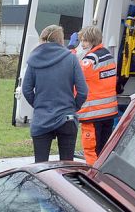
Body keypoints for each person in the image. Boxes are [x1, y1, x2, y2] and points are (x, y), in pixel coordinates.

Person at [22, 25, 88, 163]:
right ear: (60, 40)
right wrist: (73, 107)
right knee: (67, 165)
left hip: (42, 118)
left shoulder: (34, 60)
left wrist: (38, 105)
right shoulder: (71, 59)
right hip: (67, 117)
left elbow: (27, 89)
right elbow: (83, 91)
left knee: (40, 167)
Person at [76, 26, 118, 165]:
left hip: (92, 113)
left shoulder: (90, 60)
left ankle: (93, 178)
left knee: (91, 149)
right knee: (104, 148)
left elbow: (76, 77)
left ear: (92, 40)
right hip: (109, 111)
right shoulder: (108, 56)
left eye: (85, 41)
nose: (82, 44)